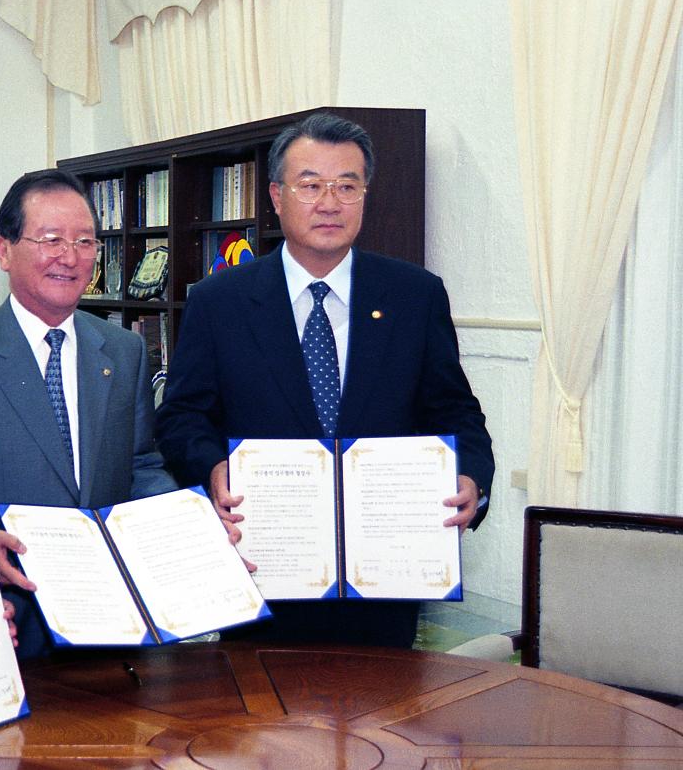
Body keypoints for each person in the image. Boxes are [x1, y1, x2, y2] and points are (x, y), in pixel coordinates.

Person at [155, 112, 494, 648]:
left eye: (347, 185)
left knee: (384, 726)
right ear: (275, 195)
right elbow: (180, 418)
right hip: (264, 578)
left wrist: (472, 476)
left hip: (384, 585)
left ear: (365, 196)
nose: (329, 202)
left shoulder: (413, 295)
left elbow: (456, 412)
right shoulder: (219, 301)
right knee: (259, 727)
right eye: (310, 185)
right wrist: (212, 468)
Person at [0, 169, 177, 658]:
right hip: (9, 622)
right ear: (4, 251)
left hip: (114, 627)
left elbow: (141, 465)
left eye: (85, 241)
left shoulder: (123, 350)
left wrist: (184, 521)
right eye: (50, 239)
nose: (69, 257)